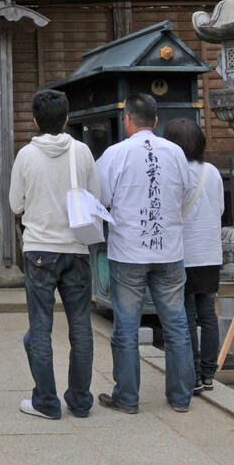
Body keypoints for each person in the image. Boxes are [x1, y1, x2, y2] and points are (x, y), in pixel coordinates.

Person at [94, 93, 197, 414]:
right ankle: (180, 397)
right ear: (155, 120)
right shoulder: (176, 152)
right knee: (176, 325)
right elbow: (187, 194)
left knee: (126, 327)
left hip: (128, 252)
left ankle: (127, 397)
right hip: (169, 250)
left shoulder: (115, 154)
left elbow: (100, 197)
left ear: (126, 119)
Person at [9, 87, 100, 420]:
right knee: (81, 327)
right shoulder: (83, 152)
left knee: (40, 327)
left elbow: (15, 204)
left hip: (39, 250)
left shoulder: (25, 156)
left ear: (35, 121)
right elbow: (95, 196)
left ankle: (46, 402)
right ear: (66, 119)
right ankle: (80, 400)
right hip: (76, 248)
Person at [164, 118, 224, 396]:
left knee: (186, 315)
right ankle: (209, 373)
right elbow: (220, 209)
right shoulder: (213, 172)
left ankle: (194, 374)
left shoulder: (175, 173)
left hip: (183, 252)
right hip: (210, 252)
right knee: (208, 314)